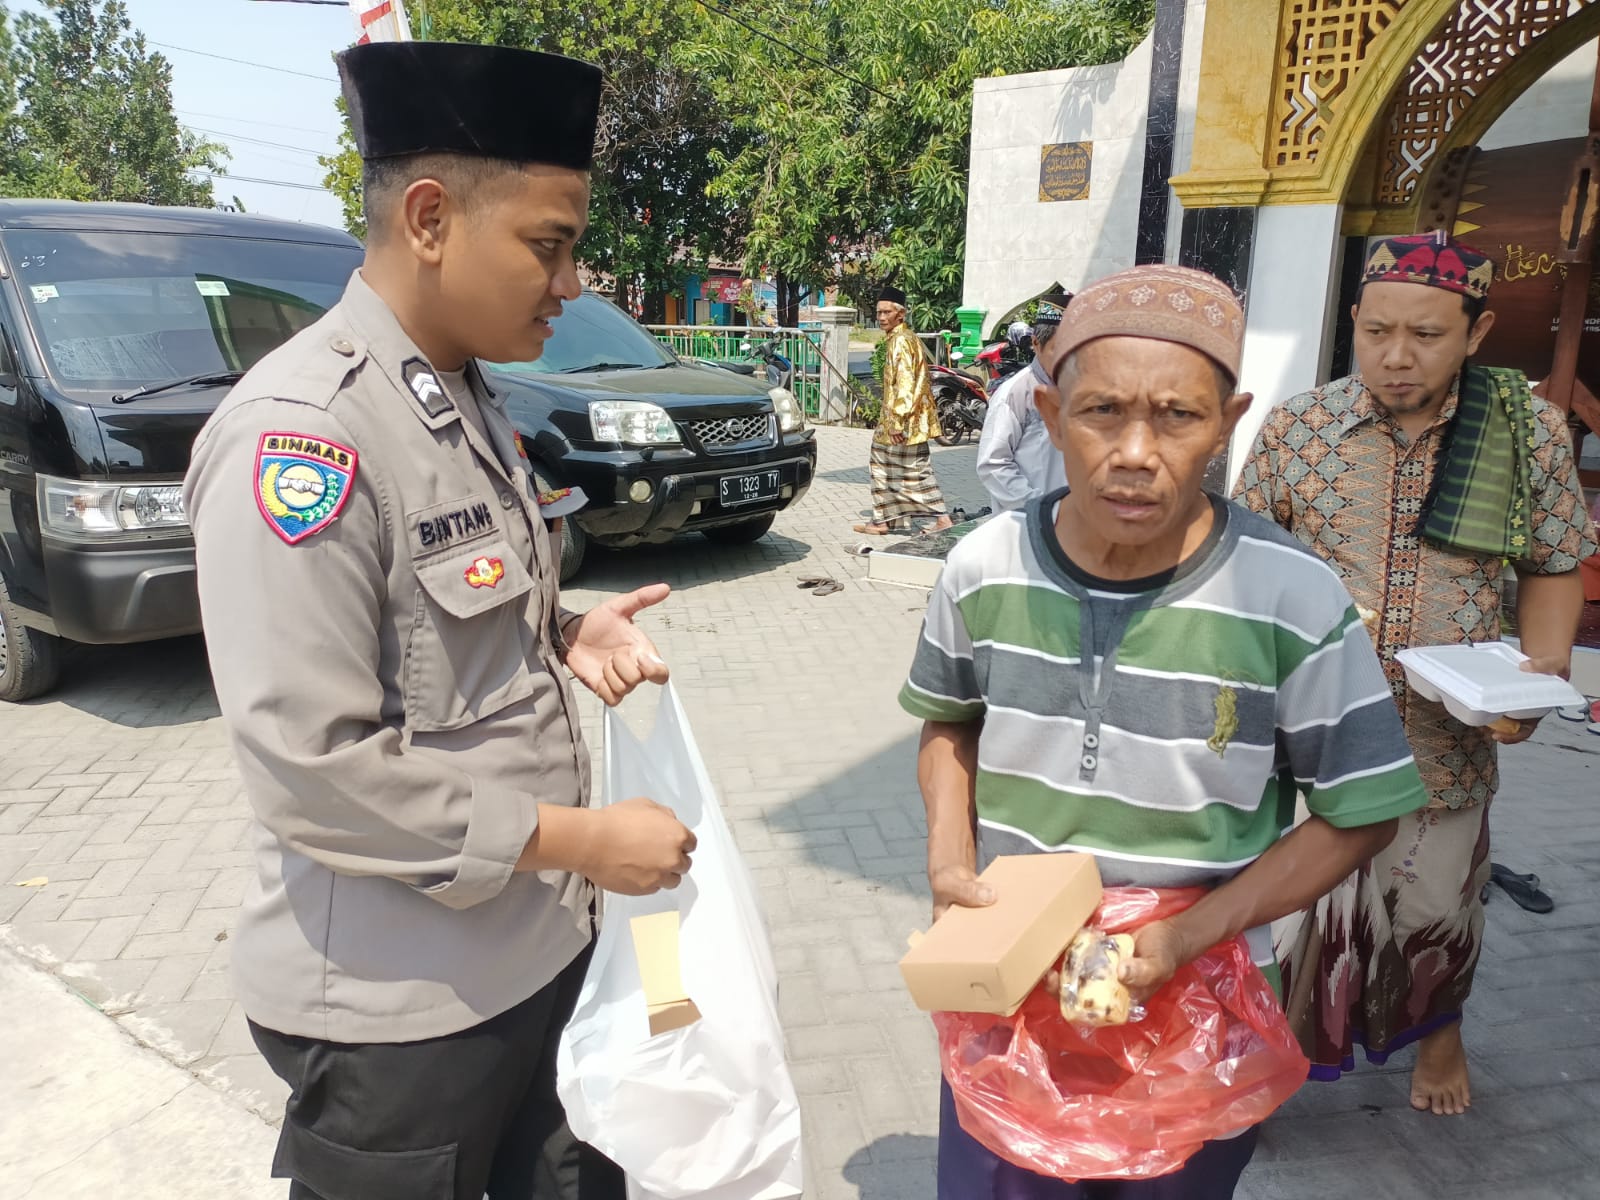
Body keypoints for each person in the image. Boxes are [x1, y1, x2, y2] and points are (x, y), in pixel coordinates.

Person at [183, 41, 697, 1200]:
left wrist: (563, 632)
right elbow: (312, 766)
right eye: (548, 245)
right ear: (428, 219)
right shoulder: (304, 436)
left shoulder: (459, 389)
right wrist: (583, 842)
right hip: (403, 1012)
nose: (571, 283)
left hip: (535, 954)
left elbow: (441, 613)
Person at [900, 264, 1428, 1198]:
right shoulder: (982, 568)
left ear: (1227, 423)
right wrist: (950, 859)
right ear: (1050, 413)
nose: (1136, 452)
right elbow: (950, 722)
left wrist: (1191, 935)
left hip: (1202, 999)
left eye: (1178, 417)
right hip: (1010, 990)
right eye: (1102, 412)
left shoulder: (1291, 597)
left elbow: (1362, 813)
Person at [1234, 231, 1600, 1116]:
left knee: (1438, 901)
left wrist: (1540, 672)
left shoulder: (1527, 432)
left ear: (1476, 334)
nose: (1397, 357)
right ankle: (1264, 1054)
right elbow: (1243, 562)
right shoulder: (1298, 429)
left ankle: (1440, 1031)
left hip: (1449, 729)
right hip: (1316, 726)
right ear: (1354, 319)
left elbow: (1553, 563)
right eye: (1377, 331)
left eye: (1428, 336)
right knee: (1298, 908)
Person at [855, 285, 952, 536]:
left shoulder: (900, 340)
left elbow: (906, 384)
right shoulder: (904, 337)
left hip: (903, 420)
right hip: (903, 419)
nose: (881, 317)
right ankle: (885, 520)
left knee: (912, 470)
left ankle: (941, 519)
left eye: (887, 312)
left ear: (901, 314)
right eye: (879, 312)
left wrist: (897, 421)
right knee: (887, 465)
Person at [976, 293, 1073, 511]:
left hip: (1075, 520)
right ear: (1036, 343)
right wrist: (1039, 506)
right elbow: (993, 464)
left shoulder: (1082, 389)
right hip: (1028, 520)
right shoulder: (1015, 393)